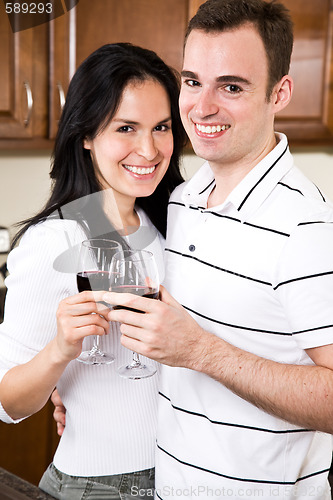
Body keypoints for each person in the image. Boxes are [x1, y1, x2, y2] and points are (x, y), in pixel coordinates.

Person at [102, 1, 333, 499]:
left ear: (280, 92)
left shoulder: (305, 226)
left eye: (231, 86)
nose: (202, 107)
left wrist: (202, 351)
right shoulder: (184, 199)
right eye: (192, 81)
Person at [0, 43, 186, 499]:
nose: (149, 148)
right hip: (99, 485)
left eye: (161, 127)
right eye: (126, 128)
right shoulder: (55, 239)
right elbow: (8, 403)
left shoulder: (168, 226)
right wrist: (61, 351)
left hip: (179, 478)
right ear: (86, 135)